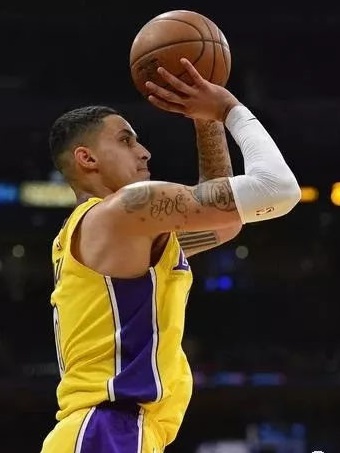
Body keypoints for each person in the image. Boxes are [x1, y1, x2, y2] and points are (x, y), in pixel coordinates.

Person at [40, 58, 301, 453]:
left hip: (118, 430)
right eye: (126, 141)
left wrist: (205, 120)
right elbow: (278, 190)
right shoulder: (126, 209)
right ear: (87, 159)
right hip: (108, 430)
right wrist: (229, 109)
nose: (144, 152)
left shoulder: (112, 231)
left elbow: (226, 222)